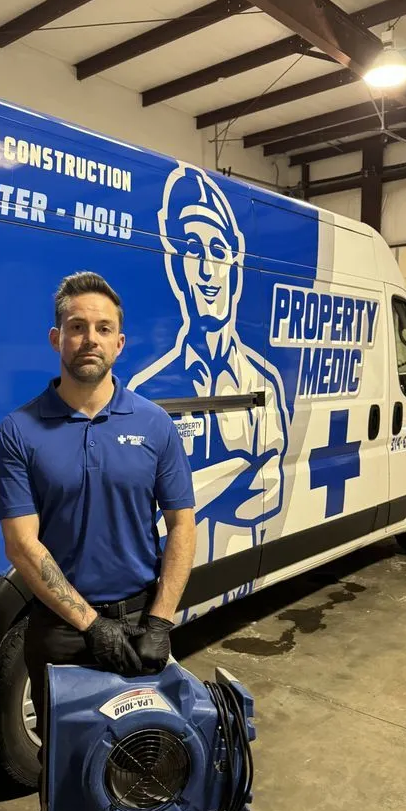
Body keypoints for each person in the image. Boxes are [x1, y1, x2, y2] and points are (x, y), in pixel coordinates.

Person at [0, 271, 207, 811]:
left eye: (102, 328)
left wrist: (161, 622)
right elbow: (24, 546)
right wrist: (91, 626)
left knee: (160, 755)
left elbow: (182, 525)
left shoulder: (152, 426)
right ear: (58, 338)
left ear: (121, 340)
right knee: (63, 759)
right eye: (76, 327)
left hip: (142, 617)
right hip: (60, 627)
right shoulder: (19, 432)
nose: (89, 338)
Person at [129, 162, 289, 568]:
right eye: (192, 250)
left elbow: (270, 488)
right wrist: (233, 476)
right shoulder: (144, 391)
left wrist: (191, 491)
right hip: (167, 579)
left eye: (217, 251)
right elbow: (134, 510)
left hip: (244, 568)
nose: (206, 270)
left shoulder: (263, 381)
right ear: (175, 268)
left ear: (235, 266)